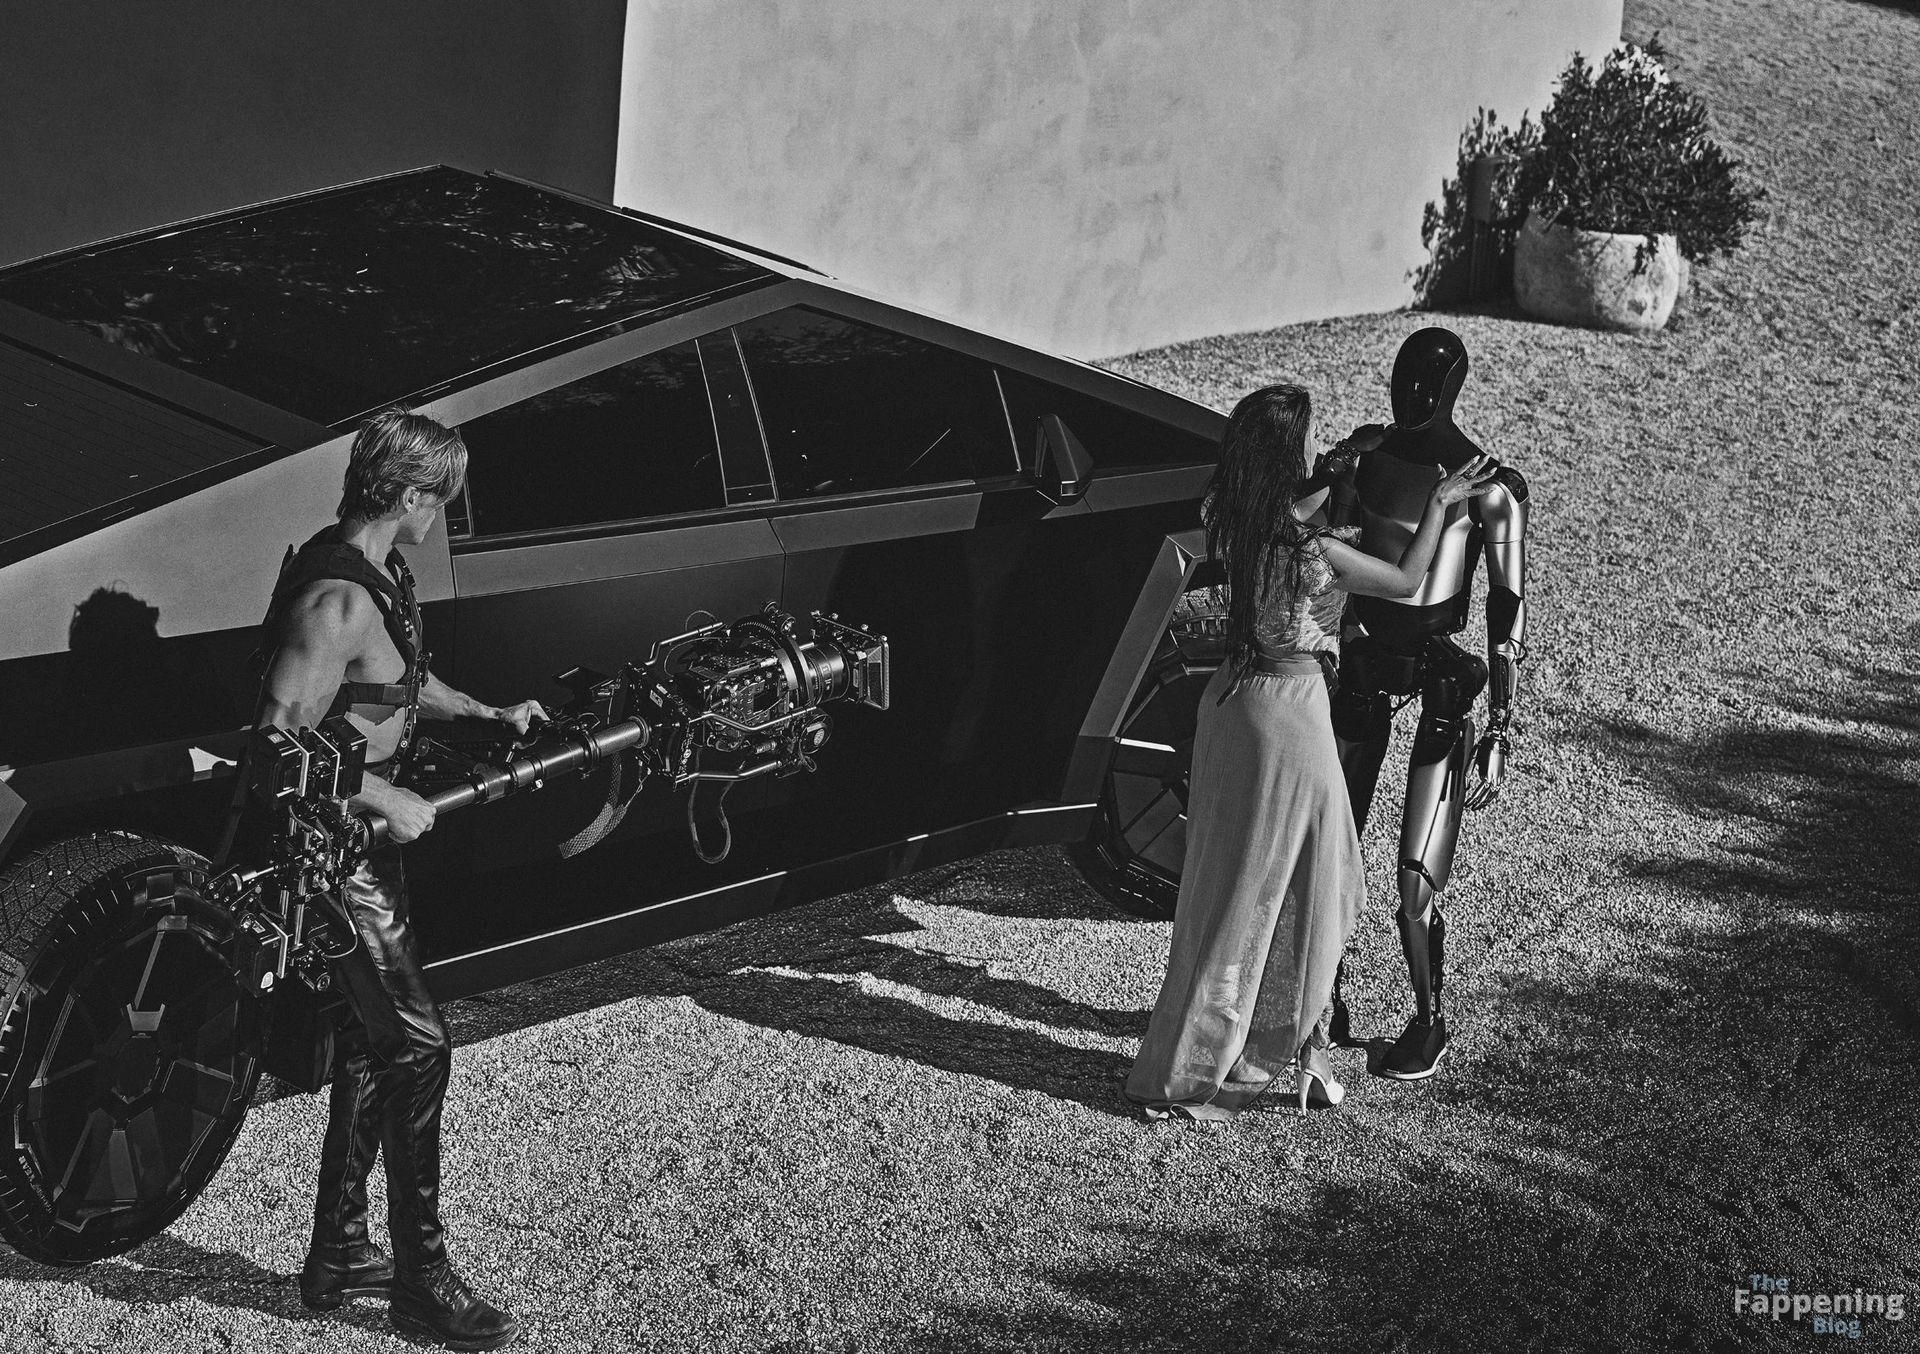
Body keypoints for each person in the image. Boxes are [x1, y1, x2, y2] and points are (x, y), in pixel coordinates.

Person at [251, 408, 547, 1349]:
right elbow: (275, 742)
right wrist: (382, 795)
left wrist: (489, 714)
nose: (442, 514)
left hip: (364, 843)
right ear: (411, 494)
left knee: (371, 1039)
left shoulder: (383, 576)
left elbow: (397, 685)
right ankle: (423, 1281)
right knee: (419, 1046)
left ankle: (340, 1251)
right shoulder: (336, 599)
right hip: (330, 852)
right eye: (440, 499)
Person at [1124, 384, 1497, 1121]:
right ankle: (1275, 1053)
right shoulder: (1315, 552)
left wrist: (1336, 466)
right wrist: (1439, 503)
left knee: (1228, 883)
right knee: (1323, 883)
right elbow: (1406, 578)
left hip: (1231, 705)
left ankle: (1260, 1053)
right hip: (1289, 715)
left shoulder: (1231, 519)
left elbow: (1295, 501)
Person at [1325, 327, 1531, 1080]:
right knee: (1330, 848)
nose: (1409, 396)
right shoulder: (1367, 455)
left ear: (1449, 390)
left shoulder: (1490, 486)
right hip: (1363, 662)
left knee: (1416, 879)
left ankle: (1429, 1021)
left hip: (1441, 676)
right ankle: (1319, 1000)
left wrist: (1502, 726)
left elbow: (1507, 608)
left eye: (1425, 385)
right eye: (1402, 381)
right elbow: (1321, 538)